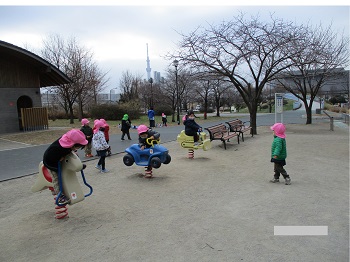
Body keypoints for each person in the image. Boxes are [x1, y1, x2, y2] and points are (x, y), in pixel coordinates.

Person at [43, 129, 88, 204]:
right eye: (78, 147)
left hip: (60, 157)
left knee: (71, 161)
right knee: (56, 178)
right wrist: (59, 158)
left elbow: (69, 151)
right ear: (73, 144)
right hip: (51, 162)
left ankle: (78, 166)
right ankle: (59, 195)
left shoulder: (68, 144)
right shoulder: (58, 148)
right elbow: (51, 156)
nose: (78, 148)